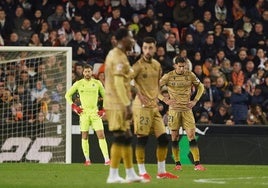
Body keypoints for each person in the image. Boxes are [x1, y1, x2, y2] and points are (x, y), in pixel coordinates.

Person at [131, 37, 178, 181]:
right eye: (145, 47)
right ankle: (141, 172)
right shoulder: (137, 66)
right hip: (141, 107)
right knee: (142, 139)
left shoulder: (157, 65)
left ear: (155, 48)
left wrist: (163, 98)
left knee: (164, 139)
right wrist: (139, 95)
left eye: (150, 48)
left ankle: (161, 172)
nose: (147, 51)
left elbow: (157, 85)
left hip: (154, 106)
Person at [104, 28, 144, 184]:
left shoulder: (119, 55)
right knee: (120, 136)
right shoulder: (118, 57)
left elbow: (124, 81)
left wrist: (134, 89)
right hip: (116, 103)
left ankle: (129, 173)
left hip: (119, 101)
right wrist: (128, 104)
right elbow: (119, 83)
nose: (133, 41)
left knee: (126, 137)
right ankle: (113, 175)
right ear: (122, 39)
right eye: (130, 37)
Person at [159, 56, 206, 171]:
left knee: (191, 135)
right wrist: (165, 100)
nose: (182, 69)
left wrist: (195, 101)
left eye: (183, 66)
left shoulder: (190, 75)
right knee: (174, 136)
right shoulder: (168, 76)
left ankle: (197, 164)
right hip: (174, 111)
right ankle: (177, 163)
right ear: (175, 66)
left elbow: (201, 87)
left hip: (187, 110)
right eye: (179, 66)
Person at [65, 64, 110, 166]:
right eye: (85, 71)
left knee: (101, 135)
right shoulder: (78, 83)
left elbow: (106, 96)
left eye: (89, 71)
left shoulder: (97, 83)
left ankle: (107, 160)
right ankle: (87, 159)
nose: (87, 73)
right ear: (83, 73)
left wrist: (104, 109)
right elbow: (67, 95)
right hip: (84, 113)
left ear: (91, 72)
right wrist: (74, 107)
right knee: (84, 136)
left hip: (95, 113)